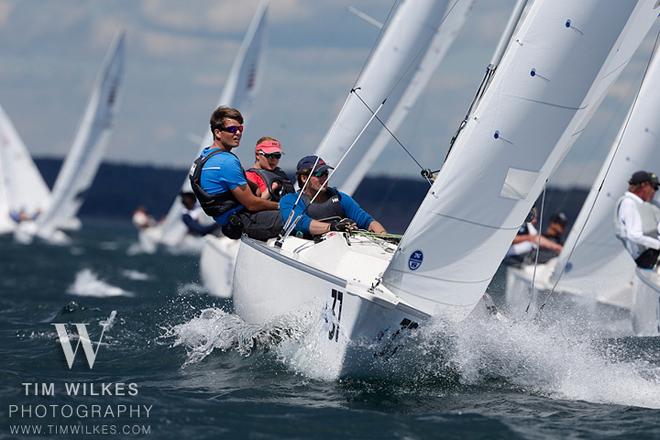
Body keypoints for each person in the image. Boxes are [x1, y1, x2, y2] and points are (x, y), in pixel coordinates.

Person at [189, 106, 281, 241]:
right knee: (298, 217)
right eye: (232, 129)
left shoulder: (204, 156)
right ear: (218, 133)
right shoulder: (226, 162)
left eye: (240, 129)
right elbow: (251, 204)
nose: (238, 133)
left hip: (229, 223)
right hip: (243, 221)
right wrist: (281, 206)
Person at [279, 155, 386, 238]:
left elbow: (368, 221)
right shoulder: (290, 200)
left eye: (326, 173)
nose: (324, 178)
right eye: (319, 174)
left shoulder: (339, 198)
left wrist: (384, 236)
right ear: (304, 178)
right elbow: (300, 223)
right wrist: (333, 227)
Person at [615, 170, 660, 269]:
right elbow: (634, 235)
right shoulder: (629, 203)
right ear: (642, 186)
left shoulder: (642, 204)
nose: (654, 191)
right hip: (639, 259)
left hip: (649, 254)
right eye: (653, 187)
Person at [245, 137, 294, 201]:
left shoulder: (280, 173)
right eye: (269, 155)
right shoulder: (250, 176)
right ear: (257, 155)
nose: (274, 159)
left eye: (277, 156)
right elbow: (254, 203)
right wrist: (273, 187)